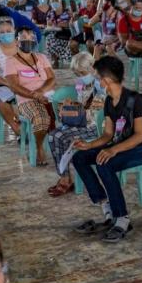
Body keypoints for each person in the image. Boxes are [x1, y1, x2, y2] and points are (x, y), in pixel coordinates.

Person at [71, 56, 142, 243]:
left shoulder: (136, 100)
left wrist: (113, 150)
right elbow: (108, 134)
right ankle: (107, 208)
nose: (97, 81)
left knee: (104, 164)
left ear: (105, 80)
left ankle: (122, 218)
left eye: (98, 78)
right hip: (122, 144)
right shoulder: (109, 101)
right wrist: (89, 145)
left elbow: (140, 135)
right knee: (79, 158)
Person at [47, 53, 104, 197]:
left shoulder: (101, 85)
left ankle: (65, 179)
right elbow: (83, 106)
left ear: (92, 68)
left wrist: (73, 110)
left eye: (82, 73)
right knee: (54, 136)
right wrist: (71, 106)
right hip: (83, 122)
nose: (79, 76)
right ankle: (64, 176)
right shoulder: (82, 84)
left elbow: (96, 112)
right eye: (77, 73)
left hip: (98, 126)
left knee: (59, 136)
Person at [6, 27, 57, 165]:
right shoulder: (11, 61)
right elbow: (14, 86)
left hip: (47, 95)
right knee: (41, 118)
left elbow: (52, 78)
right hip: (26, 99)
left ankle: (61, 147)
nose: (28, 41)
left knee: (67, 113)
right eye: (24, 38)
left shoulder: (41, 57)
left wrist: (41, 92)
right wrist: (35, 96)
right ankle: (39, 146)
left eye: (31, 38)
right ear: (17, 42)